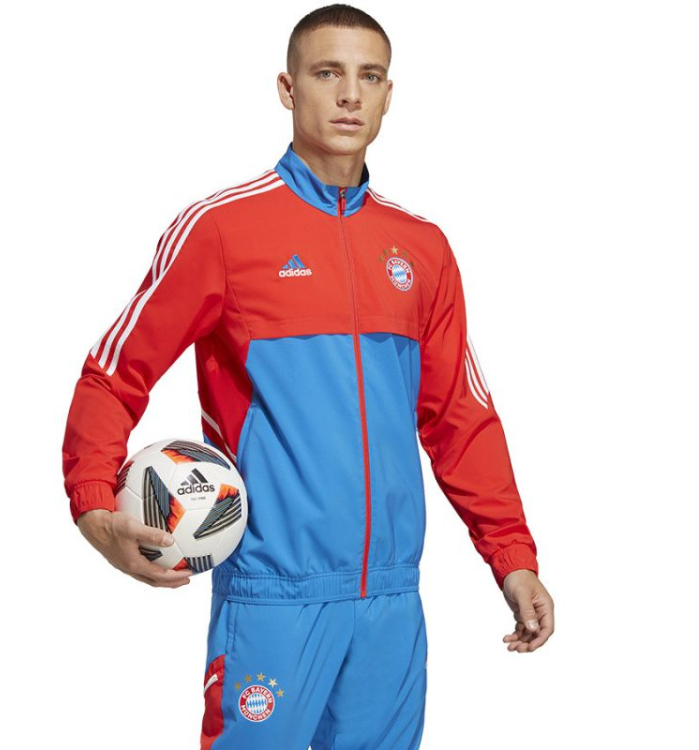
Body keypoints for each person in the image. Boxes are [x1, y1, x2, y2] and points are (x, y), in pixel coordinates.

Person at [62, 4, 555, 748]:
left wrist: (512, 557)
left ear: (389, 95)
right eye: (328, 73)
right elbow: (114, 374)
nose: (350, 94)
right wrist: (96, 509)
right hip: (274, 596)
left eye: (369, 76)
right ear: (288, 89)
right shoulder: (222, 231)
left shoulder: (422, 248)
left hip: (392, 603)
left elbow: (460, 416)